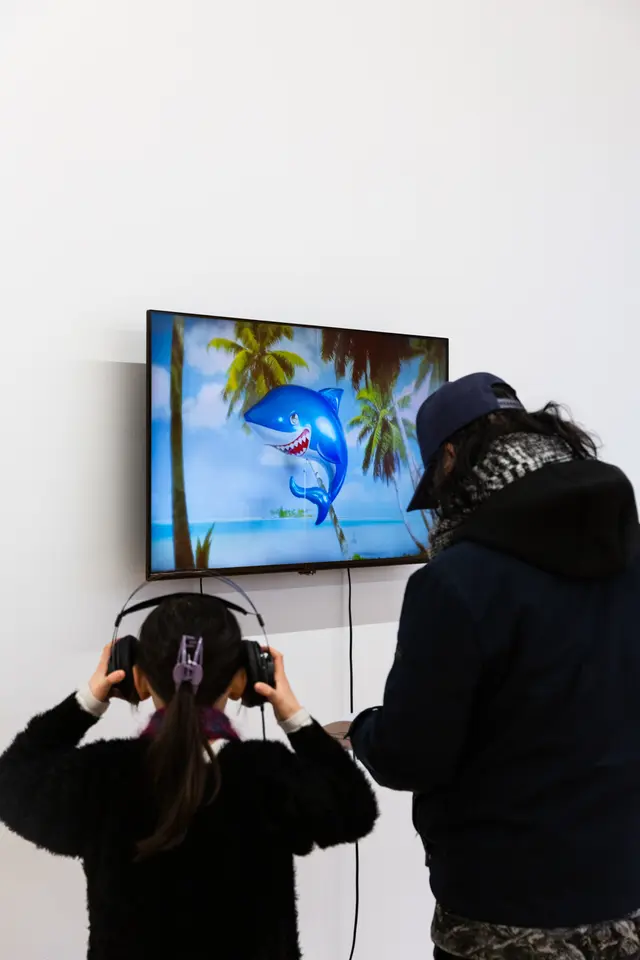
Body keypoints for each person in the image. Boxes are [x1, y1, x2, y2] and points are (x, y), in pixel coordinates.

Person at [350, 372, 640, 959]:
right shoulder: (631, 555)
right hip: (626, 899)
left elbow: (413, 753)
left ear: (451, 457)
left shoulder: (452, 585)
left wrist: (363, 731)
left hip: (504, 916)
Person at [0, 594, 378, 960]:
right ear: (241, 681)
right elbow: (354, 808)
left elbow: (11, 783)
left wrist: (87, 701)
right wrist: (291, 712)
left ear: (137, 680)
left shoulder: (102, 775)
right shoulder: (268, 773)